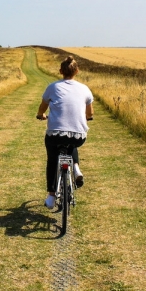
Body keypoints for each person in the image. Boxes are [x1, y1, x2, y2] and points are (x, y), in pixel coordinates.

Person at [36, 55, 94, 209]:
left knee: (52, 159)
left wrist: (41, 115)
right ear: (77, 71)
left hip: (55, 134)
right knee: (72, 140)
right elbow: (90, 113)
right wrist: (87, 118)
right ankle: (75, 168)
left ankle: (51, 196)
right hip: (78, 136)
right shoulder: (85, 89)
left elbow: (42, 107)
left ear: (60, 71)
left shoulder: (53, 87)